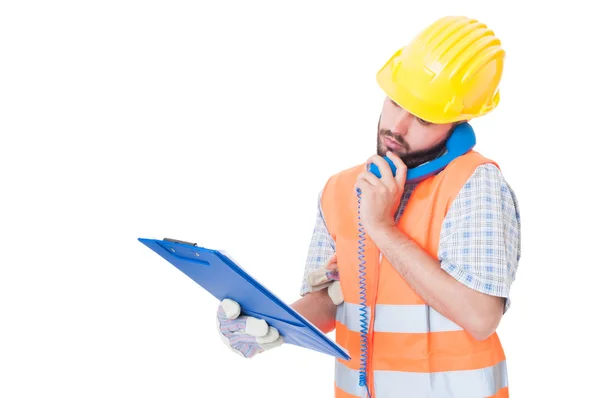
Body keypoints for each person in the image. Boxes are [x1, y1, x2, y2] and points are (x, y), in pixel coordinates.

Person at [216, 15, 521, 398]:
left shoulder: (475, 185)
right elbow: (332, 300)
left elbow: (480, 318)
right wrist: (269, 323)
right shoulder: (342, 188)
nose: (398, 127)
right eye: (396, 102)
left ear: (459, 122)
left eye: (424, 118)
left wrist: (382, 229)